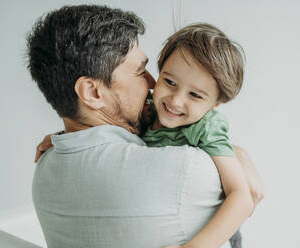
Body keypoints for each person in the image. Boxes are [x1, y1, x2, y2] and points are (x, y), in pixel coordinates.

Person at [28, 5, 264, 248]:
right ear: (93, 92)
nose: (153, 83)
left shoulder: (43, 172)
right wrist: (239, 155)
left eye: (195, 94)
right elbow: (240, 195)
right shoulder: (189, 169)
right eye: (140, 72)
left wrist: (62, 137)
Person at [141, 23, 251, 247]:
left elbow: (241, 196)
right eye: (169, 82)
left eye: (195, 95)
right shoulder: (145, 108)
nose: (175, 100)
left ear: (215, 104)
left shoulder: (205, 127)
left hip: (215, 235)